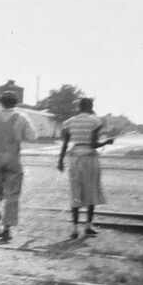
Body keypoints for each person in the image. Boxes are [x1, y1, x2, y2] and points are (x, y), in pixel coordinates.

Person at [0, 90, 38, 241]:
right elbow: (33, 137)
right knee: (12, 194)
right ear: (16, 103)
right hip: (13, 158)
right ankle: (7, 228)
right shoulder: (22, 117)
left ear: (0, 102)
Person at [57, 97, 113, 238]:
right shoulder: (95, 121)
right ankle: (88, 226)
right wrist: (106, 142)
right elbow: (93, 144)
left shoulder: (68, 122)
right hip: (90, 159)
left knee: (75, 192)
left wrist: (60, 161)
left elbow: (65, 144)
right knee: (91, 191)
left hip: (75, 159)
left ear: (79, 107)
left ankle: (74, 229)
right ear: (90, 106)